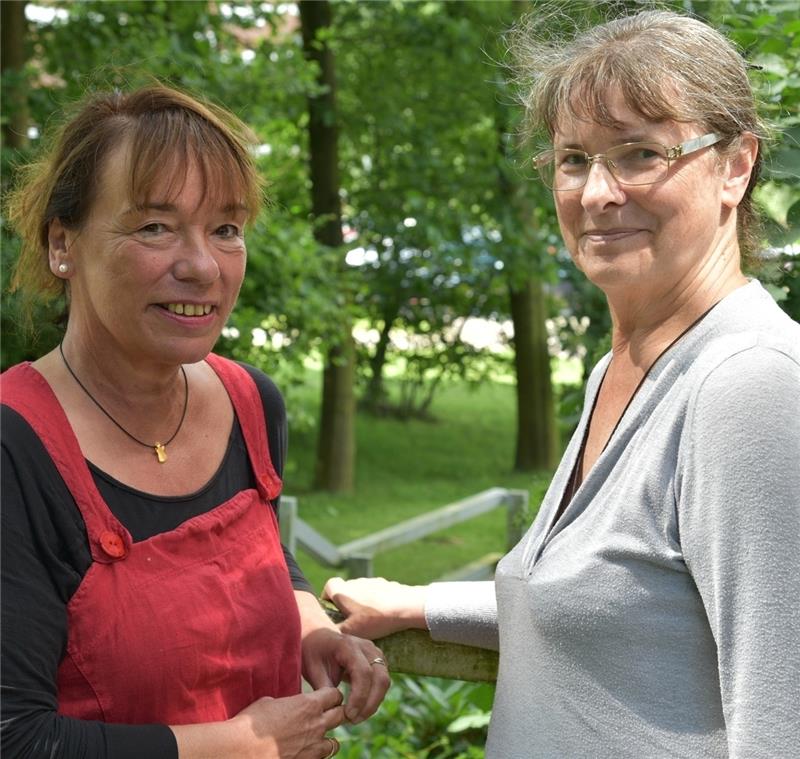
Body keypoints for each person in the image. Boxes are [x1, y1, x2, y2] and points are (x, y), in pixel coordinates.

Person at [322, 9, 800, 758]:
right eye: (574, 159)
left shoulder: (747, 388)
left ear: (735, 166)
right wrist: (421, 604)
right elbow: (624, 609)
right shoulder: (624, 368)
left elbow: (782, 715)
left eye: (641, 154)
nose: (598, 192)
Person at [0, 84, 389, 759]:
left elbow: (255, 552)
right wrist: (244, 745)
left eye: (226, 229)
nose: (202, 265)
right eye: (155, 227)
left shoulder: (251, 404)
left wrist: (310, 627)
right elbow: (16, 737)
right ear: (63, 244)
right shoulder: (14, 448)